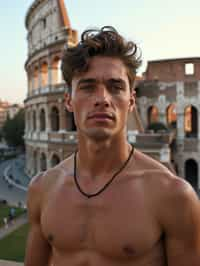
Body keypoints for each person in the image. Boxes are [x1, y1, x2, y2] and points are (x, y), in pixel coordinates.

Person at [25, 26, 200, 266]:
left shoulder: (174, 196)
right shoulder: (42, 189)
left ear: (131, 101)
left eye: (115, 87)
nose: (102, 99)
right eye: (87, 87)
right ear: (68, 101)